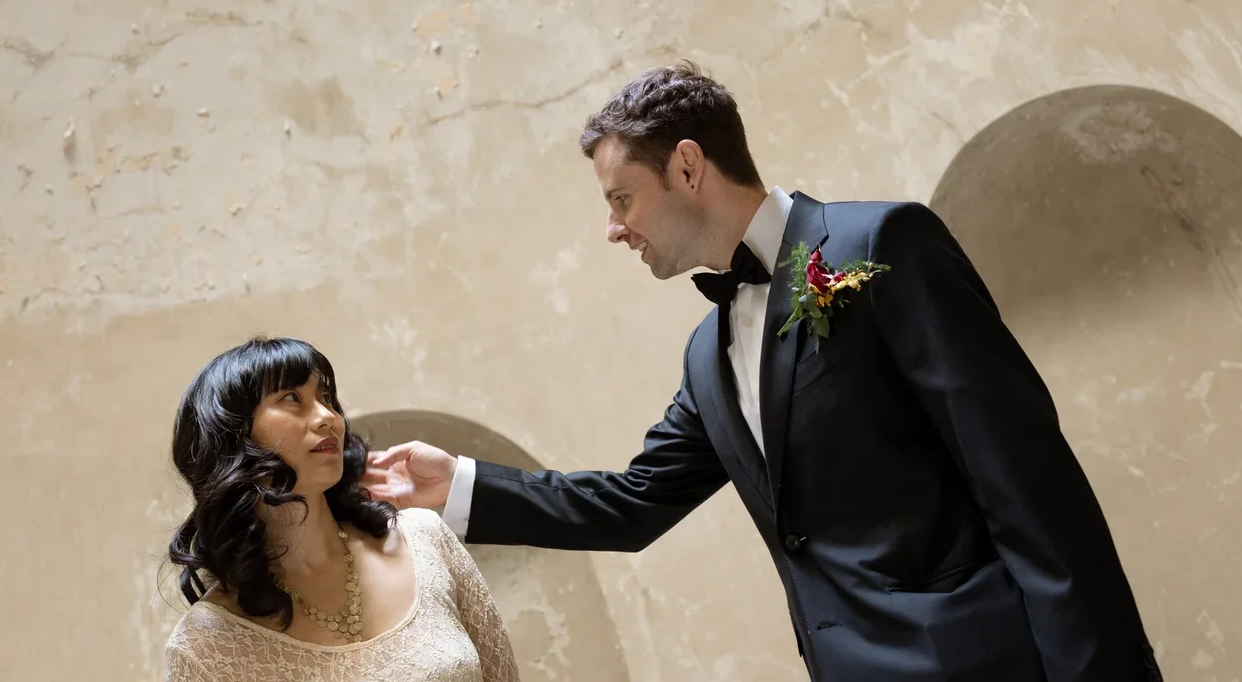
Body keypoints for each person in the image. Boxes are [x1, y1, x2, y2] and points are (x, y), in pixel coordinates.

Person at [365, 61, 1162, 682]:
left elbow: (1028, 483)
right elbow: (634, 504)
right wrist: (458, 484)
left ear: (686, 166)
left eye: (622, 200)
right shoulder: (706, 359)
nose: (613, 230)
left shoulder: (881, 245)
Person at [163, 336, 518, 682]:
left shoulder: (424, 539)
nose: (328, 417)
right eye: (291, 398)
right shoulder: (203, 646)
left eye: (327, 398)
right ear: (231, 434)